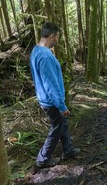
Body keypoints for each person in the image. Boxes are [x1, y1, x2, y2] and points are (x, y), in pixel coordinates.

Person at [30, 22, 80, 168]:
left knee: (62, 123)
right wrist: (61, 105)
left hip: (45, 98)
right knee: (57, 127)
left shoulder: (36, 50)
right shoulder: (45, 56)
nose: (58, 40)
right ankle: (43, 159)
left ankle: (68, 150)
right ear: (51, 36)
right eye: (57, 37)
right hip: (50, 101)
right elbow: (50, 84)